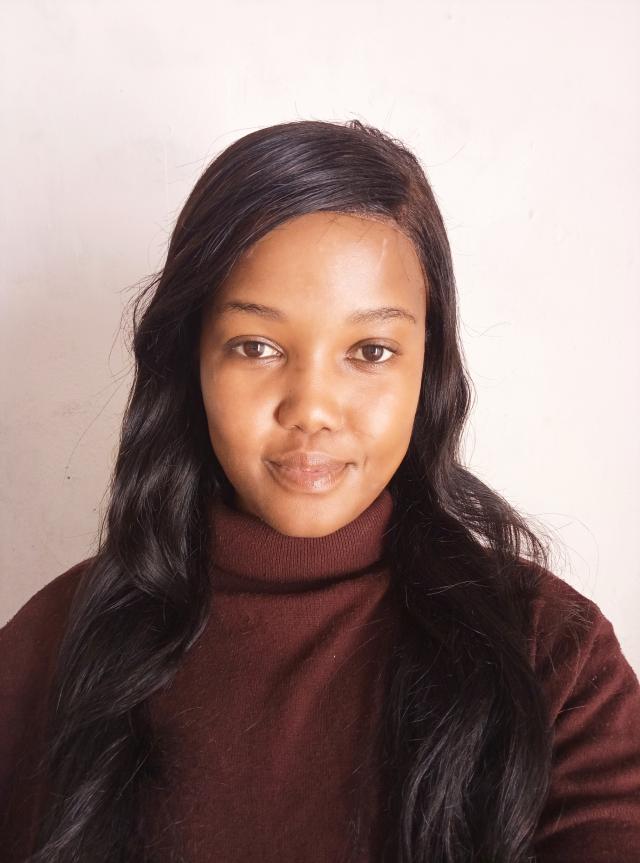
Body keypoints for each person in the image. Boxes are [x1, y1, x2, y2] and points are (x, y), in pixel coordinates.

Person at [1, 119, 639, 863]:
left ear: (427, 368)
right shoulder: (47, 648)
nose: (311, 408)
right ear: (192, 360)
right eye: (257, 347)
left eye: (370, 351)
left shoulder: (553, 656)